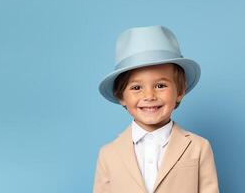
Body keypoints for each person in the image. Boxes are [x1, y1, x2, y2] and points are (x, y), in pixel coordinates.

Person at [93, 25, 219, 193]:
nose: (149, 96)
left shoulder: (199, 147)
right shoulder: (108, 154)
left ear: (180, 92)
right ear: (121, 96)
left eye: (160, 85)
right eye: (136, 88)